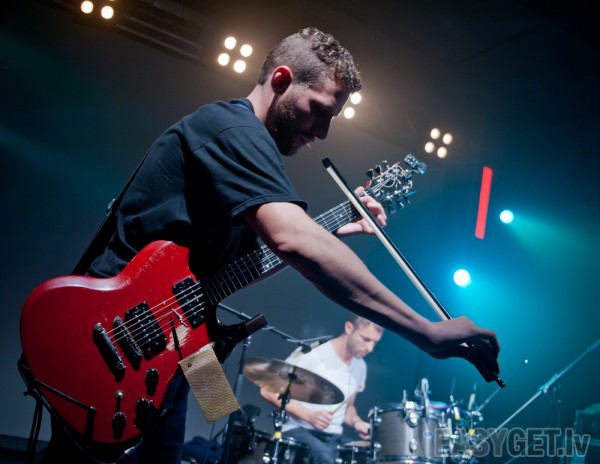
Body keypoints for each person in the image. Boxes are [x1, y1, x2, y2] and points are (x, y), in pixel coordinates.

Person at [39, 26, 500, 464]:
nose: (323, 131)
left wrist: (331, 229)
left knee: (210, 423)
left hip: (167, 352)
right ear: (281, 80)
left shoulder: (238, 145)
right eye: (319, 109)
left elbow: (256, 257)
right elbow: (292, 240)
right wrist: (426, 332)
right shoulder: (232, 129)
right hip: (114, 342)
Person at [259, 315, 383, 464]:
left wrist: (357, 422)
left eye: (374, 343)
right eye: (366, 339)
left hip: (333, 436)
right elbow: (268, 390)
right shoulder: (312, 352)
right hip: (298, 429)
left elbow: (348, 408)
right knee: (325, 457)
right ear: (349, 328)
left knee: (369, 455)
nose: (370, 348)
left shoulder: (361, 366)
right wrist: (309, 416)